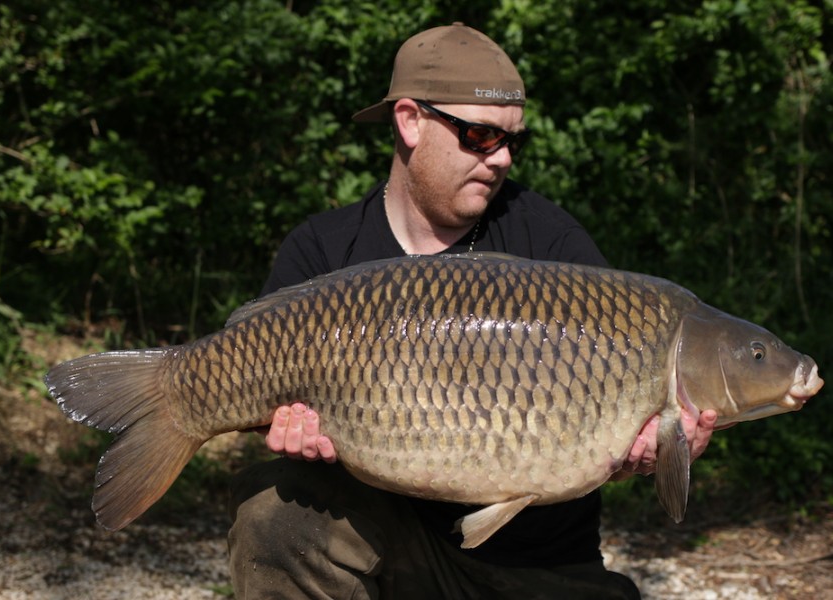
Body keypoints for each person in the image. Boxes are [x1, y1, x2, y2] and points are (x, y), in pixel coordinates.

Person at [228, 23, 718, 599]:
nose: (503, 158)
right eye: (481, 136)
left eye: (513, 140)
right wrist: (283, 429)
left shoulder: (552, 244)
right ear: (410, 120)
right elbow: (269, 413)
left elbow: (639, 413)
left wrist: (662, 445)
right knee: (276, 512)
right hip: (381, 548)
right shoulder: (323, 251)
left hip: (535, 567)